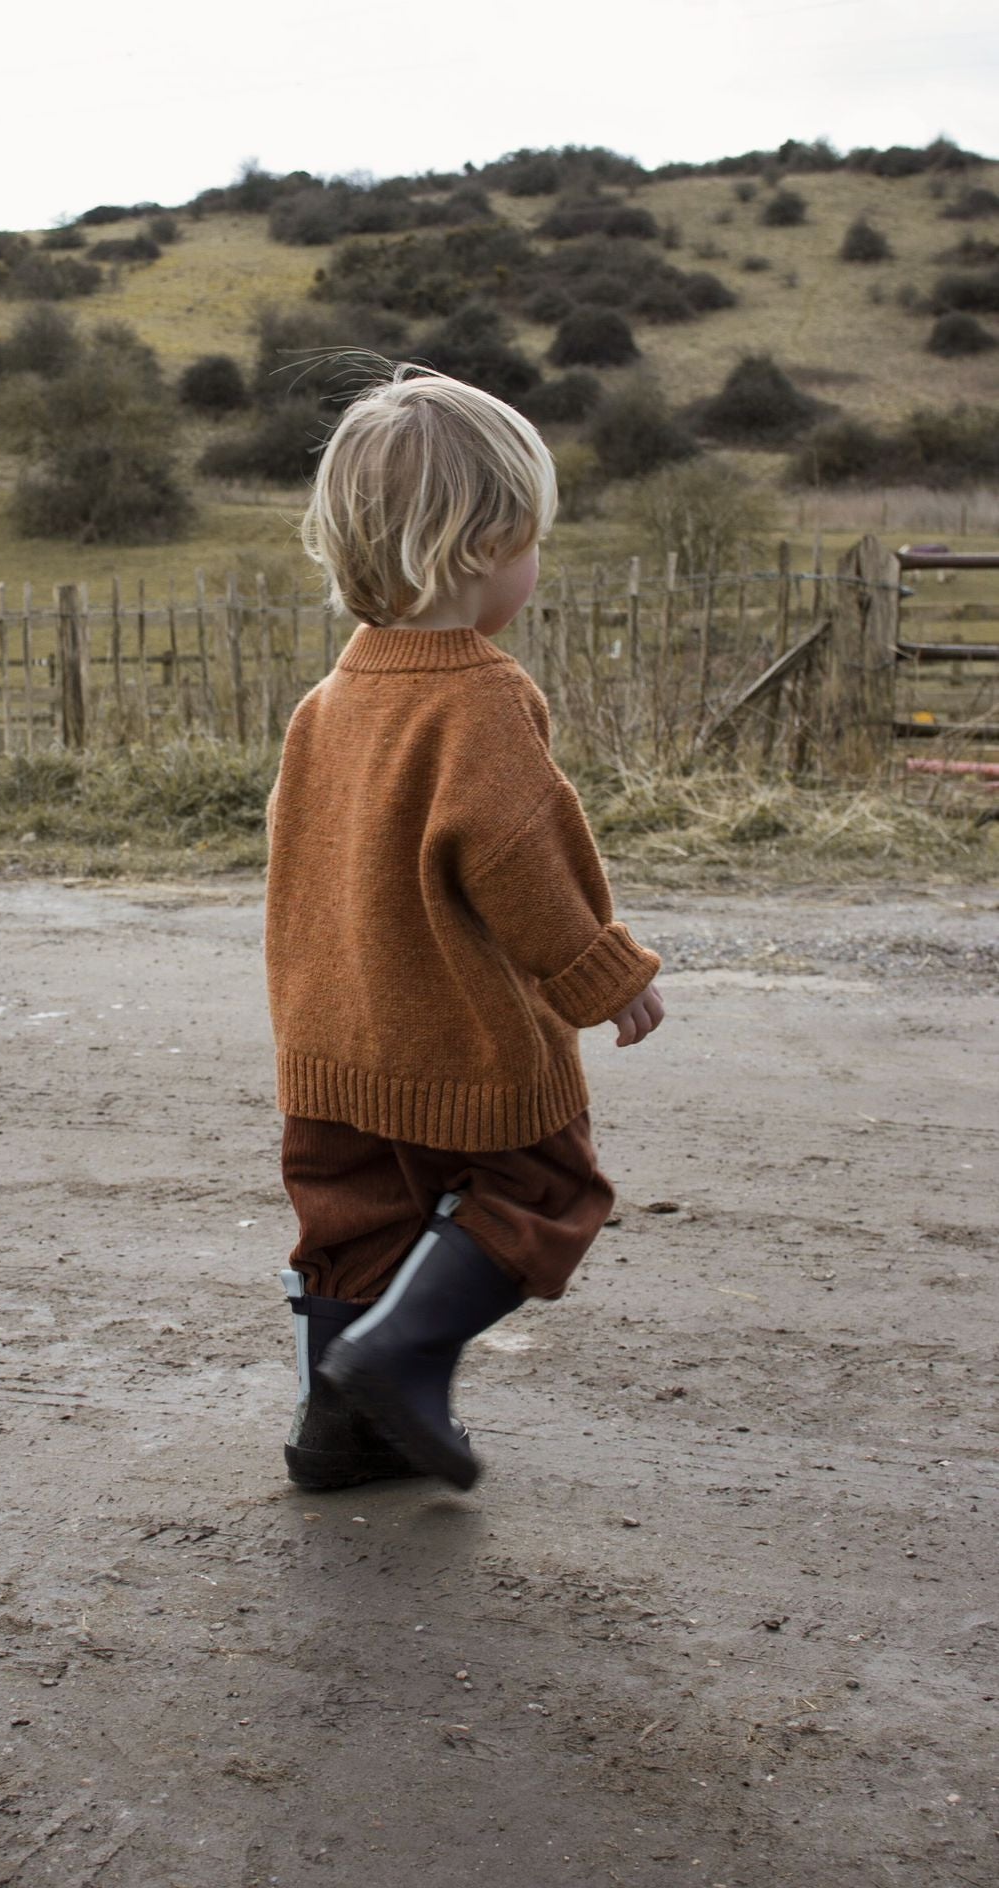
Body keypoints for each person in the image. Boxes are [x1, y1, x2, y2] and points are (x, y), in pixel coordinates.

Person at [264, 366, 665, 1494]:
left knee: (354, 1217)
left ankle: (337, 1433)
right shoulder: (481, 694)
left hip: (331, 1038)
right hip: (458, 1035)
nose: (534, 567)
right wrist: (602, 973)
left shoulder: (326, 703)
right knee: (546, 1189)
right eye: (531, 539)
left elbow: (305, 869)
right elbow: (520, 857)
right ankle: (399, 1351)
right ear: (483, 543)